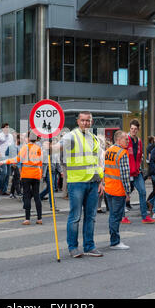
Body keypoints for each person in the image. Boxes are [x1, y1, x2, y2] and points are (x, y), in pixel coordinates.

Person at [47, 111, 105, 258]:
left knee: (91, 217)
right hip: (77, 183)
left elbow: (99, 162)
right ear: (78, 121)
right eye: (83, 120)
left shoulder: (94, 138)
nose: (85, 123)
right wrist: (49, 147)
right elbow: (58, 147)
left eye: (88, 120)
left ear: (92, 122)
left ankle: (89, 247)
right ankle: (73, 247)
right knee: (75, 217)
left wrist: (101, 181)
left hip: (93, 183)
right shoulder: (71, 136)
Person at [0, 131, 43, 225]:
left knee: (26, 196)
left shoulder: (25, 147)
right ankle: (39, 218)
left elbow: (16, 159)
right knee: (36, 196)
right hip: (36, 174)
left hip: (26, 174)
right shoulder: (39, 148)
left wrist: (4, 161)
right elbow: (41, 162)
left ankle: (27, 219)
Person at [104, 130, 133, 250]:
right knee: (115, 216)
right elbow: (125, 175)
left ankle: (113, 239)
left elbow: (104, 169)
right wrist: (128, 192)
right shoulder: (122, 153)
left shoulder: (108, 151)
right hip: (118, 190)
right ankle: (115, 242)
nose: (128, 141)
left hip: (108, 188)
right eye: (125, 139)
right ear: (118, 140)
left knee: (112, 215)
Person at [126, 119, 155, 224]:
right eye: (131, 129)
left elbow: (139, 155)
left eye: (135, 129)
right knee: (123, 195)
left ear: (138, 129)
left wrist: (139, 167)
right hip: (127, 172)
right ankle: (121, 216)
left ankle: (145, 216)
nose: (133, 131)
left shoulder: (138, 141)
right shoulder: (125, 139)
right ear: (129, 129)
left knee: (143, 192)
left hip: (137, 172)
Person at [0, 123, 14, 196]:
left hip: (9, 156)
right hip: (2, 156)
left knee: (8, 174)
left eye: (8, 127)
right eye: (6, 127)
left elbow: (12, 146)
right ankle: (0, 188)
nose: (7, 129)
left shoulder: (10, 136)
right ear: (3, 128)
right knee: (4, 173)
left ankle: (5, 190)